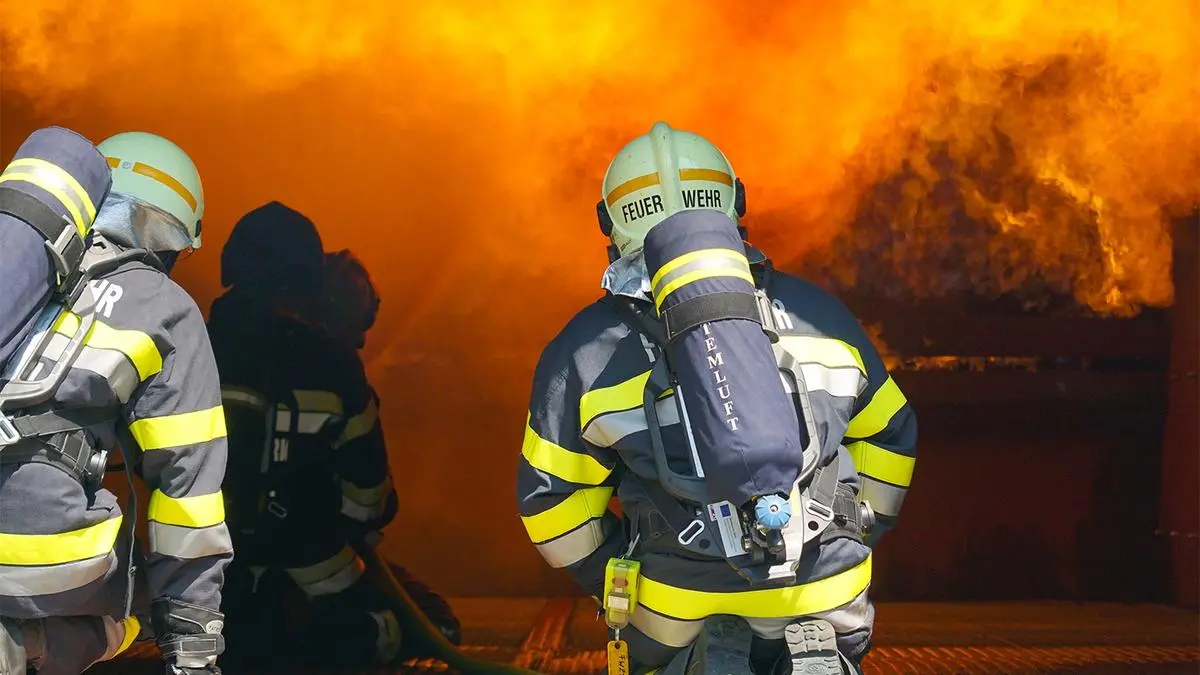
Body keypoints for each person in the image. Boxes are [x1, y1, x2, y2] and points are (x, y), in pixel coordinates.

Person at [515, 122, 918, 675]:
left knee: (663, 647)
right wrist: (854, 530)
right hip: (826, 589)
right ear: (734, 202)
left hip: (674, 603)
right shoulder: (818, 314)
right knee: (832, 618)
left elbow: (551, 506)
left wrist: (618, 570)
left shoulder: (585, 351)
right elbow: (889, 435)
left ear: (612, 223)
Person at [0, 130, 232, 675]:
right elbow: (187, 498)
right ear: (164, 230)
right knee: (130, 608)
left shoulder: (17, 273)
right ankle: (26, 647)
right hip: (38, 565)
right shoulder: (166, 308)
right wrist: (194, 647)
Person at [207, 202, 405, 669]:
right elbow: (367, 502)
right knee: (407, 624)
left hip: (206, 586)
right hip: (313, 585)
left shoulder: (190, 345)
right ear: (307, 282)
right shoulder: (331, 362)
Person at [317, 249, 462, 646]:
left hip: (231, 571)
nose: (364, 338)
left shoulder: (233, 360)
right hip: (322, 567)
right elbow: (370, 505)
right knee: (438, 626)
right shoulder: (341, 377)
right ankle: (327, 643)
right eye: (360, 322)